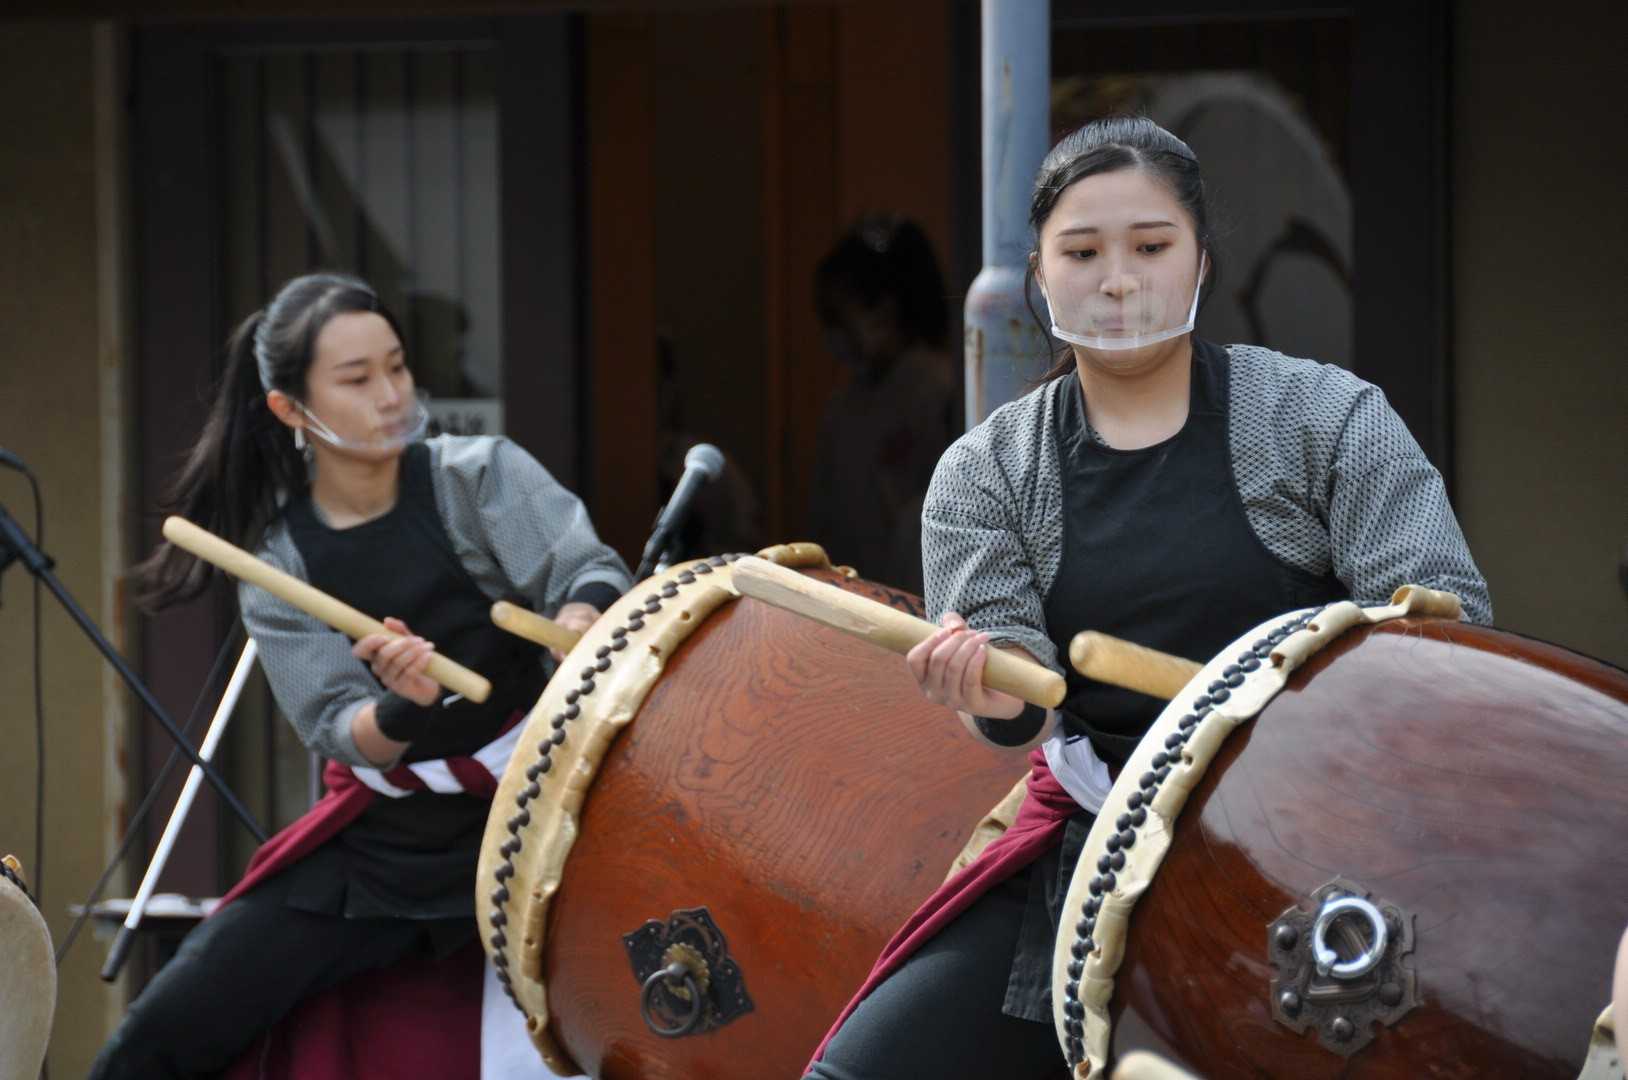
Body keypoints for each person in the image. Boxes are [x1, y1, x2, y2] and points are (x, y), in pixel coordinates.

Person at [806, 117, 1492, 1078]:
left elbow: (1446, 625)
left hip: (1319, 847)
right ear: (1041, 276)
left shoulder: (1327, 417)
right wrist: (986, 688)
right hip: (1100, 841)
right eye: (1082, 252)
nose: (1118, 280)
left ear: (1201, 261)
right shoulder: (985, 471)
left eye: (1151, 247)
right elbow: (1016, 680)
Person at [94, 272, 630, 1078]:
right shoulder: (279, 563)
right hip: (391, 846)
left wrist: (580, 624)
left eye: (397, 367)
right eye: (357, 379)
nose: (390, 395)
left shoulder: (474, 475)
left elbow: (584, 568)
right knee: (165, 1028)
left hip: (544, 816)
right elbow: (343, 729)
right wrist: (404, 706)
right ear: (290, 410)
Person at [808, 214, 959, 594]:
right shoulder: (843, 407)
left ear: (884, 312)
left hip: (916, 597)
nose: (832, 337)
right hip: (847, 593)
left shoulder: (939, 390)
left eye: (839, 318)